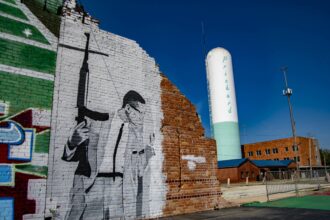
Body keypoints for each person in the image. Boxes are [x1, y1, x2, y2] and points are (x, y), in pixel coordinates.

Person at [62, 90, 155, 219]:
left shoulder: (135, 135)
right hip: (93, 184)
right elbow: (70, 156)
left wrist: (148, 152)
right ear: (128, 108)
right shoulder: (97, 121)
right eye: (140, 113)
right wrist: (72, 143)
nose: (142, 118)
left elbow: (137, 170)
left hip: (120, 188)